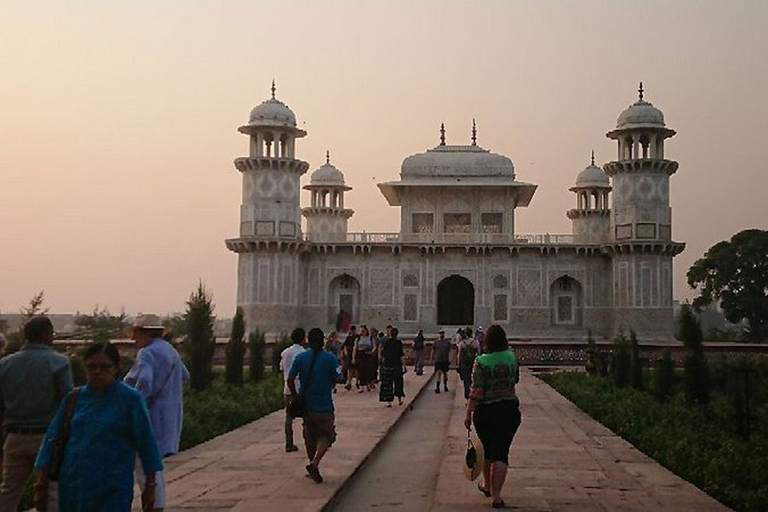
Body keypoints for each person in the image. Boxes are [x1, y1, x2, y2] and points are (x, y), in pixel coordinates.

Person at [34, 342, 162, 512]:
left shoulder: (130, 400)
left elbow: (146, 444)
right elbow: (52, 438)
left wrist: (151, 486)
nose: (97, 371)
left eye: (104, 367)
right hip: (74, 485)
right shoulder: (74, 399)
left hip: (112, 487)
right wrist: (41, 481)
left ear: (116, 368)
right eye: (91, 366)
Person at [0, 315, 72, 512]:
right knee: (51, 490)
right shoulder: (59, 362)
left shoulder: (5, 364)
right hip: (47, 436)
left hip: (14, 436)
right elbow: (68, 402)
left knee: (9, 491)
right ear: (48, 335)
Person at [124, 314, 190, 511]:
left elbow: (145, 382)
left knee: (145, 466)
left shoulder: (147, 353)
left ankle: (153, 505)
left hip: (150, 415)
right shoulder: (170, 351)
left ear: (145, 333)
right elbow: (185, 376)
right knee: (155, 465)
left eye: (136, 334)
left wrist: (135, 405)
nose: (134, 339)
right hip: (169, 416)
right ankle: (156, 504)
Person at [464, 325, 521, 509]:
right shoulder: (512, 357)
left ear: (487, 341)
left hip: (486, 412)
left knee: (487, 451)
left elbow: (477, 391)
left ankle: (488, 486)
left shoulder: (481, 361)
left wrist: (468, 413)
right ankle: (496, 496)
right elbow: (516, 379)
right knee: (501, 453)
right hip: (508, 409)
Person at [287, 328, 343, 483]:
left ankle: (313, 466)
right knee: (327, 435)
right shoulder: (330, 358)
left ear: (308, 341)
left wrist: (295, 395)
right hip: (324, 405)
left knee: (310, 437)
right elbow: (339, 377)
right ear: (323, 340)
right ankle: (315, 463)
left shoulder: (301, 358)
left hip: (307, 405)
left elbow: (290, 379)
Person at [279, 328, 306, 452]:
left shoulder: (285, 353)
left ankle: (289, 443)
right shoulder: (304, 353)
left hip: (288, 389)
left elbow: (282, 368)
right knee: (308, 416)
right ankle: (311, 441)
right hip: (300, 388)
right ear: (303, 338)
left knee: (289, 418)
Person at [379, 327, 405, 407]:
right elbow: (401, 355)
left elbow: (383, 354)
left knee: (387, 384)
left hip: (388, 365)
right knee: (398, 383)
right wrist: (404, 365)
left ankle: (389, 401)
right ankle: (399, 400)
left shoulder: (386, 343)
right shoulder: (398, 343)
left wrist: (382, 363)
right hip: (396, 365)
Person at [457, 331, 481, 400]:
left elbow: (459, 355)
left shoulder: (462, 343)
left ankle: (467, 397)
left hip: (464, 364)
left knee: (466, 381)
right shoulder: (475, 342)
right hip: (473, 363)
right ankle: (474, 394)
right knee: (474, 380)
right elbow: (479, 353)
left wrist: (459, 365)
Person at [354, 326, 376, 392]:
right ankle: (361, 386)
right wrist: (353, 357)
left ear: (366, 331)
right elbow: (355, 348)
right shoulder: (358, 339)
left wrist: (372, 351)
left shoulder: (370, 338)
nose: (362, 332)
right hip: (360, 355)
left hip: (368, 354)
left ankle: (367, 384)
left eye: (363, 331)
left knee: (368, 370)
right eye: (361, 331)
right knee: (360, 370)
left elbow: (375, 346)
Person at [342, 326, 357, 390]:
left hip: (356, 354)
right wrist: (345, 352)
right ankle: (349, 383)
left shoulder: (357, 337)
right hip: (350, 354)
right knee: (350, 369)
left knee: (356, 369)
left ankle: (357, 382)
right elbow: (344, 345)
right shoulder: (348, 337)